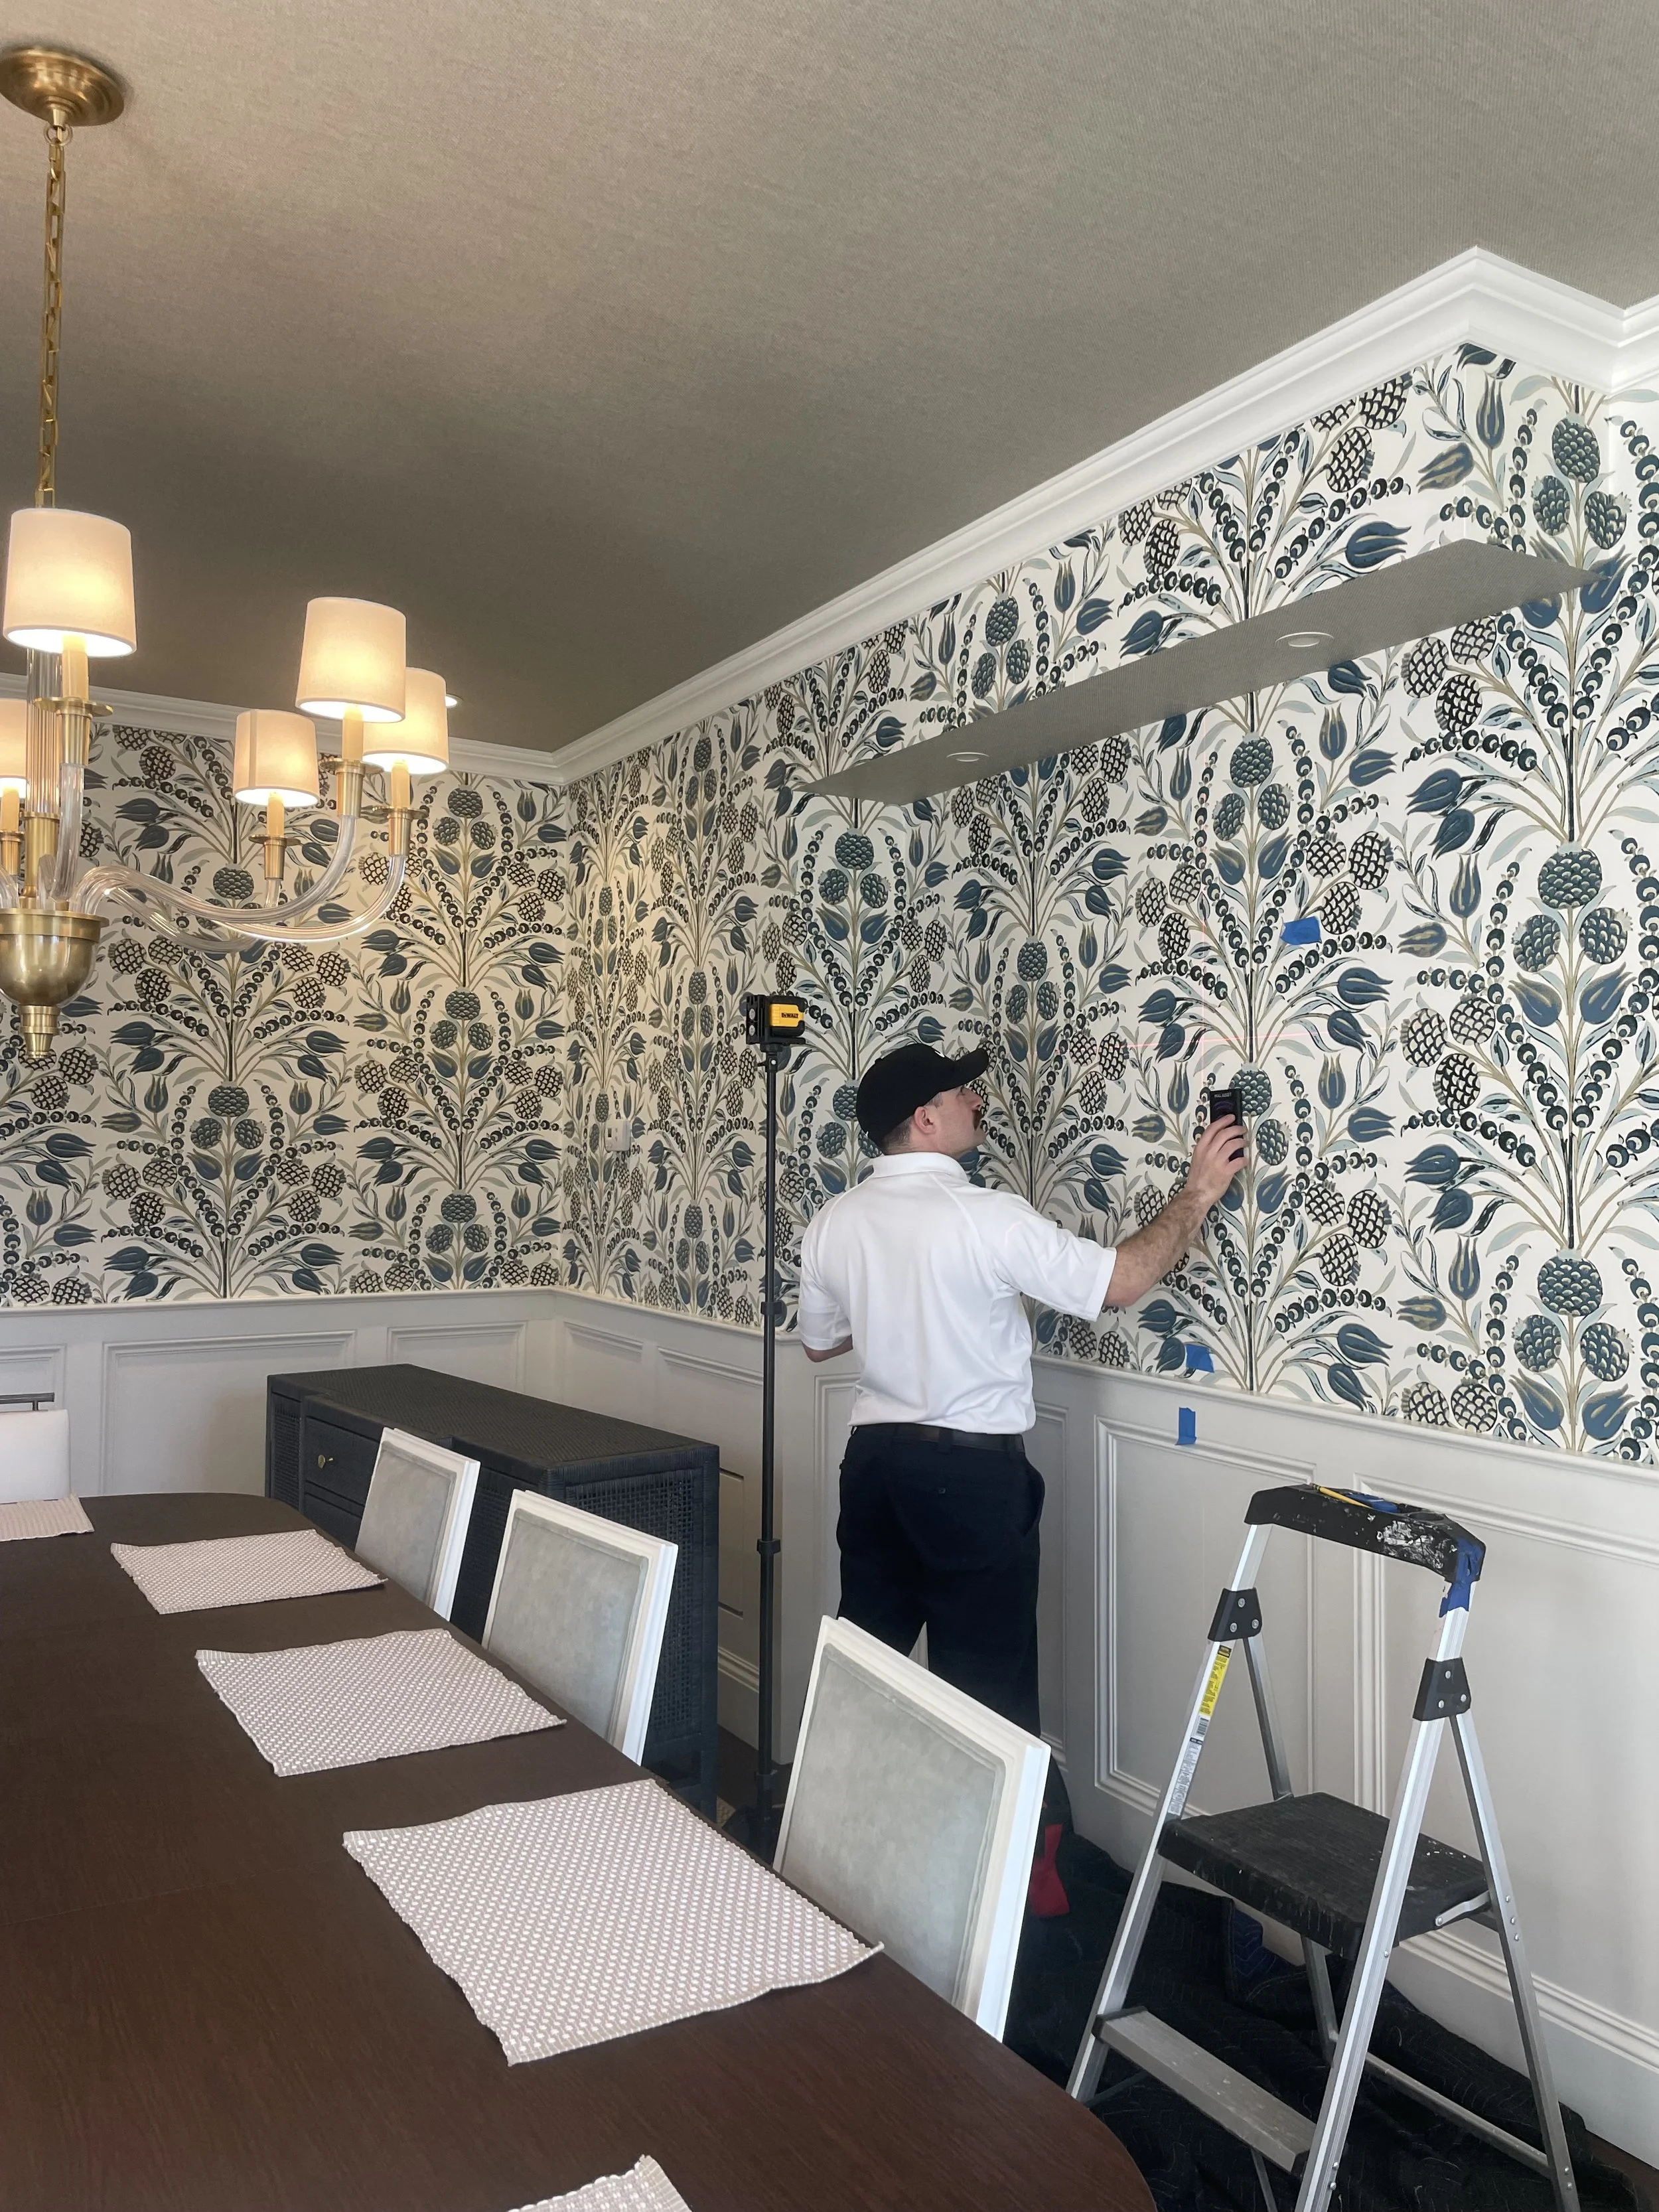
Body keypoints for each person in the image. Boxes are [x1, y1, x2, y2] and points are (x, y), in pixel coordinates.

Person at [798, 1040, 1246, 1748]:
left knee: (866, 1675)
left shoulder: (833, 1223)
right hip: (969, 1477)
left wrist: (899, 1306)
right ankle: (1017, 1860)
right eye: (960, 1095)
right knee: (987, 1705)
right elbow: (1120, 1282)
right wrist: (1197, 1193)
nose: (977, 1102)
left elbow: (820, 1343)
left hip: (875, 1472)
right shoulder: (985, 1215)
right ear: (924, 1119)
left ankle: (828, 1848)